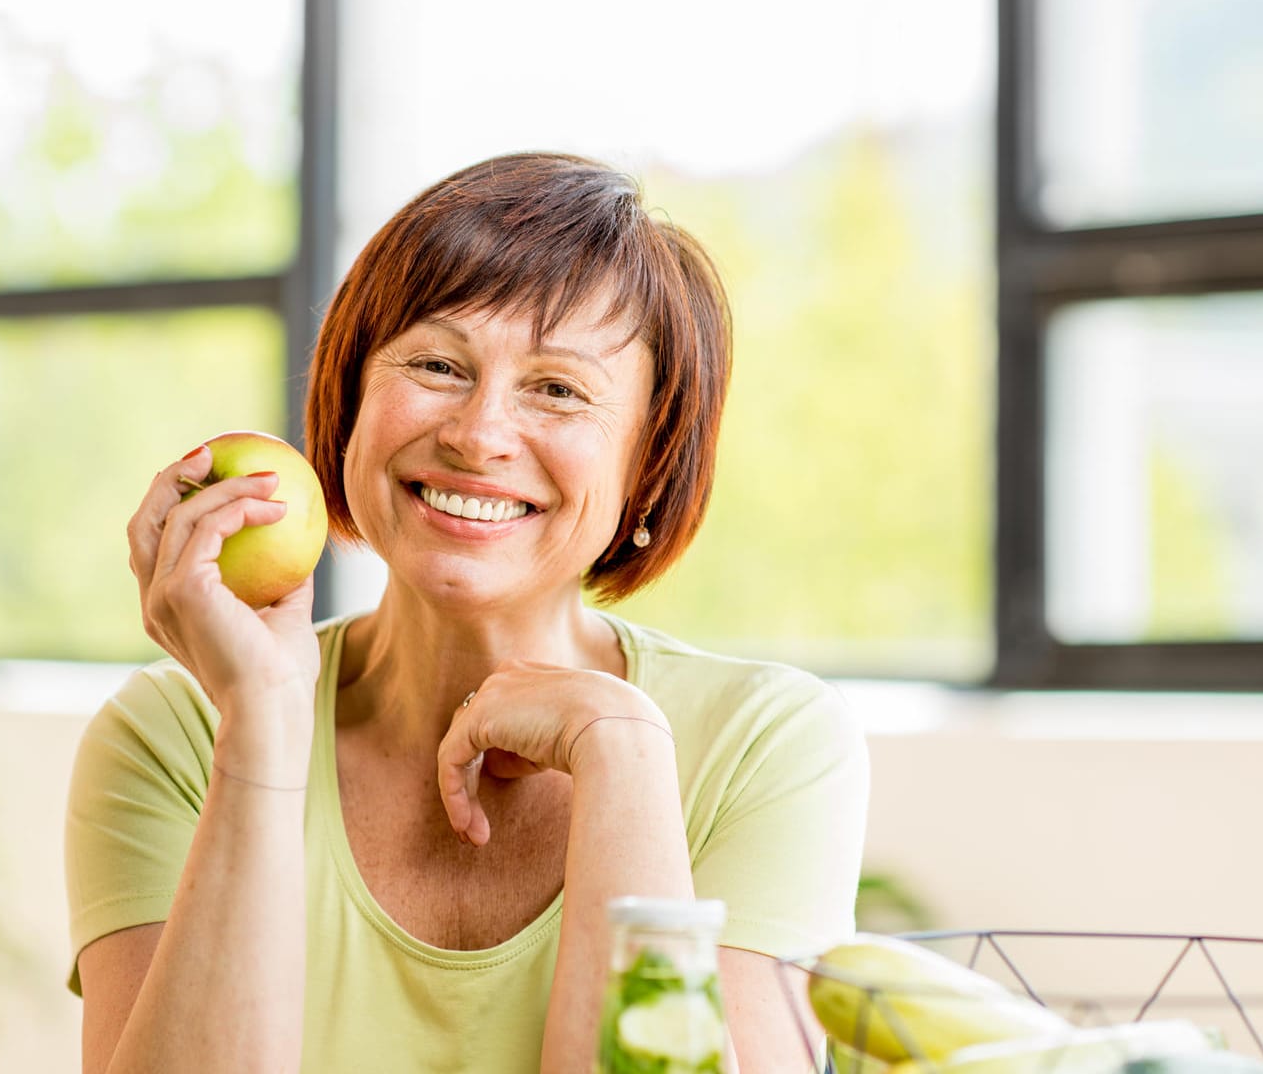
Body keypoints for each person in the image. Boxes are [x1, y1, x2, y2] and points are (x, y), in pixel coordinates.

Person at [65, 152, 869, 1073]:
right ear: (351, 402)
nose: (479, 434)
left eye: (558, 388)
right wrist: (264, 724)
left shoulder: (765, 744)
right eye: (438, 364)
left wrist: (621, 751)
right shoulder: (172, 736)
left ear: (648, 466)